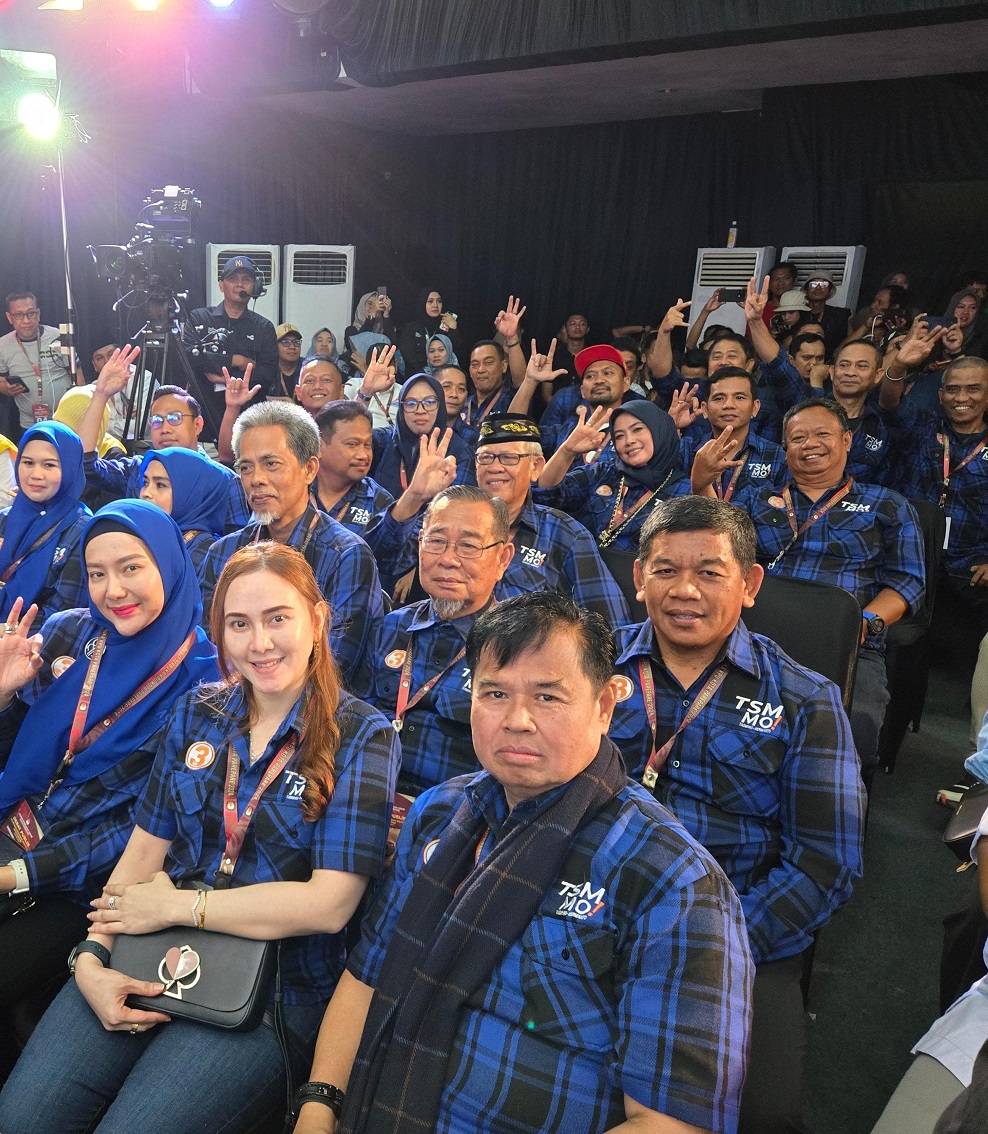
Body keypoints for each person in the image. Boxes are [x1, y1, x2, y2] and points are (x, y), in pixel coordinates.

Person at [295, 591, 753, 1134]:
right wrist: (319, 1106)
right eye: (494, 692)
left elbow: (673, 1122)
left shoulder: (672, 879)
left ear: (605, 707)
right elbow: (367, 976)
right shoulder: (440, 813)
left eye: (547, 698)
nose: (517, 720)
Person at [0, 541, 399, 1134]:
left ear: (317, 618)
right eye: (239, 625)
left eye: (277, 619)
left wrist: (181, 904)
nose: (259, 644)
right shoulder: (199, 711)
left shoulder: (362, 733)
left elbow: (328, 904)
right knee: (23, 1117)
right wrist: (92, 959)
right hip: (149, 950)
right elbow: (141, 856)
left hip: (269, 991)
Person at [609, 496, 865, 1134]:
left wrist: (715, 946)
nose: (684, 590)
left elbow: (825, 863)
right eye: (665, 570)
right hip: (591, 905)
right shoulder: (589, 668)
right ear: (639, 578)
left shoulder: (806, 699)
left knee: (762, 1113)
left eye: (710, 572)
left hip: (734, 932)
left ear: (749, 584)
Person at [0, 500, 219, 1010]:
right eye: (97, 573)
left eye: (131, 568)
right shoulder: (72, 633)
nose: (112, 590)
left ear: (167, 564)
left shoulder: (205, 686)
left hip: (81, 883)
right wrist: (5, 696)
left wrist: (17, 875)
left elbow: (142, 831)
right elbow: (20, 753)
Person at [691, 396, 926, 779]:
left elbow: (908, 582)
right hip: (756, 634)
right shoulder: (757, 498)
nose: (809, 444)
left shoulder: (887, 505)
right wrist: (701, 483)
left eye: (822, 434)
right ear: (785, 449)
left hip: (847, 641)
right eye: (798, 437)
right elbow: (717, 547)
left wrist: (864, 623)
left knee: (855, 731)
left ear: (847, 439)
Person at [369, 413, 632, 629]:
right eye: (486, 458)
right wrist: (414, 497)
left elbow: (610, 624)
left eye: (509, 458)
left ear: (536, 467)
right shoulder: (449, 517)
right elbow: (380, 560)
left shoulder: (564, 534)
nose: (495, 467)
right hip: (434, 660)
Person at [198, 399, 386, 685]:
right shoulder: (222, 552)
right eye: (246, 468)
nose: (256, 479)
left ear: (309, 469)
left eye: (271, 464)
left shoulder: (346, 555)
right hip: (230, 704)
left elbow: (335, 665)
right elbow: (208, 648)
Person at [354, 485, 513, 796]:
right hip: (368, 797)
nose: (448, 559)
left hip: (458, 814)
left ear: (503, 559)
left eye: (468, 546)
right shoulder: (389, 628)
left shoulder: (517, 648)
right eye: (436, 541)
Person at [75, 348, 250, 532]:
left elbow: (238, 546)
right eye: (157, 421)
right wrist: (101, 394)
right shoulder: (138, 470)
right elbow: (86, 465)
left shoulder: (223, 480)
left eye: (175, 418)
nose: (165, 428)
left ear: (198, 425)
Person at [746, 277, 896, 482]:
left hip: (856, 510)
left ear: (878, 375)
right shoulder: (807, 404)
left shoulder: (881, 424)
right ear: (831, 371)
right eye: (843, 365)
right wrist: (756, 322)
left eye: (861, 366)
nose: (850, 372)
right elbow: (778, 365)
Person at [535, 401, 690, 550]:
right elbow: (546, 495)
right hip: (582, 570)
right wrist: (566, 451)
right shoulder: (604, 472)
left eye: (637, 430)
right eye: (619, 436)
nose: (629, 441)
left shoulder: (684, 490)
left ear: (658, 431)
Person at [0, 420, 91, 633]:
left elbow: (64, 617)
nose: (36, 475)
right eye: (28, 463)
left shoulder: (81, 531)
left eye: (49, 465)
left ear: (69, 468)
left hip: (34, 651)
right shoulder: (6, 518)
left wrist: (6, 632)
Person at [185, 255, 278, 422]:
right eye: (233, 278)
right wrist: (236, 360)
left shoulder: (264, 327)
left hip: (249, 421)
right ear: (221, 285)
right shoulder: (199, 318)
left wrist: (227, 379)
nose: (239, 284)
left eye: (246, 279)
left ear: (254, 287)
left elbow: (268, 374)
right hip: (204, 417)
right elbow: (191, 358)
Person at [368, 361, 473, 500]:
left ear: (440, 407)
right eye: (411, 403)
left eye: (429, 402)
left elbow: (457, 513)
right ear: (401, 409)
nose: (420, 410)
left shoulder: (460, 452)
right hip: (377, 521)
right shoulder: (385, 440)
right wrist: (365, 392)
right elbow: (346, 439)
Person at [677, 368, 787, 499]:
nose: (728, 405)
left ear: (755, 407)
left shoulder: (778, 456)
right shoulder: (686, 450)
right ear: (704, 409)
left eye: (739, 397)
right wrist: (671, 426)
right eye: (719, 398)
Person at [138, 447, 230, 570]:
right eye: (145, 483)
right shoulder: (150, 538)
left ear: (191, 494)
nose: (145, 493)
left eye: (160, 485)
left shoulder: (206, 555)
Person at [311, 401, 395, 535]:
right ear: (319, 446)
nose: (363, 455)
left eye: (367, 445)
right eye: (352, 444)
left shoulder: (379, 502)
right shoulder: (295, 489)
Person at [0, 291, 76, 438]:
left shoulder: (58, 335)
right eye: (19, 315)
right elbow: (1, 380)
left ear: (38, 314)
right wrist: (7, 389)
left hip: (66, 420)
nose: (26, 320)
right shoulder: (3, 345)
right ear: (9, 317)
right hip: (30, 423)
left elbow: (76, 371)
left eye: (31, 313)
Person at [397, 288, 460, 376]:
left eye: (439, 301)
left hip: (446, 377)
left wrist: (453, 329)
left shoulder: (447, 324)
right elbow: (411, 358)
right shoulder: (411, 328)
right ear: (423, 303)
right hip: (417, 379)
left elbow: (456, 353)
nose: (435, 305)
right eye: (430, 301)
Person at [274, 323, 304, 399]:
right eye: (286, 342)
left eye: (296, 342)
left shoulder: (308, 367)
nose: (292, 347)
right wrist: (281, 401)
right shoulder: (267, 368)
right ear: (274, 346)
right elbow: (256, 398)